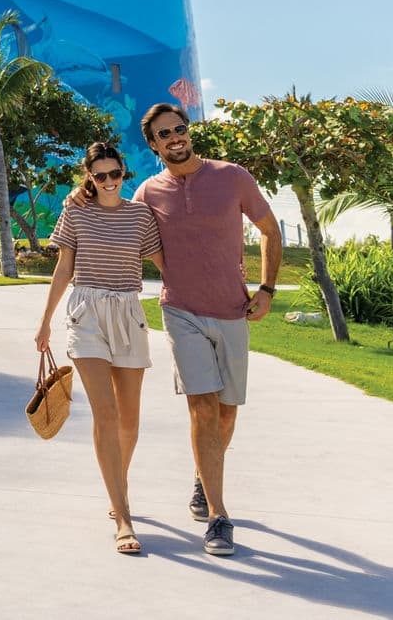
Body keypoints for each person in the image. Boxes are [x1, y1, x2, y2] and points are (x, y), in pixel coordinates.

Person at [132, 103, 281, 559]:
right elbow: (124, 226)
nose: (175, 137)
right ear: (154, 145)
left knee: (227, 412)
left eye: (180, 128)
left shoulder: (232, 176)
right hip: (181, 311)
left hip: (233, 310)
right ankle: (218, 516)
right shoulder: (148, 192)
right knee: (201, 405)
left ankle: (202, 476)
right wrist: (83, 199)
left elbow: (270, 229)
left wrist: (268, 289)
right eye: (164, 134)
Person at [34, 141, 165, 555]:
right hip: (86, 313)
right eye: (100, 175)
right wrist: (44, 323)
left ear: (124, 173)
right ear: (90, 177)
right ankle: (123, 517)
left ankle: (116, 485)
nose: (109, 182)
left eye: (115, 174)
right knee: (105, 414)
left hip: (128, 312)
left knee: (129, 419)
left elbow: (168, 264)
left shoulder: (141, 215)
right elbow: (64, 267)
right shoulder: (76, 211)